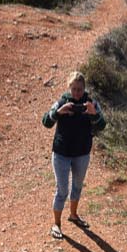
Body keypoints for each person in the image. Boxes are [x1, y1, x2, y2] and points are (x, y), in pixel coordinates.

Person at [43, 73, 105, 239]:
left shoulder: (91, 103)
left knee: (77, 186)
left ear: (84, 89)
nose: (77, 93)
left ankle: (74, 215)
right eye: (74, 89)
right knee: (62, 190)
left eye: (80, 89)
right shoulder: (62, 102)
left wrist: (93, 114)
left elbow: (102, 125)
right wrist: (58, 112)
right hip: (62, 153)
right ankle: (56, 224)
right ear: (69, 88)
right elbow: (46, 122)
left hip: (82, 153)